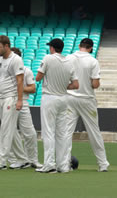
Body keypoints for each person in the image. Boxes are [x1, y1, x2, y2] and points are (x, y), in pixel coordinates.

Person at [65, 38, 110, 172]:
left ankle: (65, 163)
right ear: (91, 48)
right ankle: (103, 164)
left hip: (70, 97)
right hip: (87, 99)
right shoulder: (93, 61)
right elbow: (95, 84)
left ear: (79, 46)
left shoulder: (68, 58)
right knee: (94, 132)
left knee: (66, 132)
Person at [35, 38, 79, 173]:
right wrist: (63, 85)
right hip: (64, 98)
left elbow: (38, 77)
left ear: (52, 48)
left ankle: (49, 164)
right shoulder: (69, 62)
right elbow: (76, 85)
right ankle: (63, 165)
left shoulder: (48, 58)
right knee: (61, 134)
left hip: (50, 98)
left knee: (48, 132)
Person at [0, 35, 26, 170]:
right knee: (11, 129)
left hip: (11, 97)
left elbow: (20, 80)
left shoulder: (16, 60)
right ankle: (22, 159)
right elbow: (3, 77)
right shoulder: (1, 59)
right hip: (2, 97)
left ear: (6, 46)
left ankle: (1, 161)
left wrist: (19, 100)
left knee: (5, 129)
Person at [8, 47, 43, 169]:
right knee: (10, 132)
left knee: (30, 133)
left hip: (23, 103)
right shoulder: (5, 70)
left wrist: (18, 88)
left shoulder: (26, 71)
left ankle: (33, 160)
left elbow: (32, 88)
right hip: (8, 103)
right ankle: (15, 159)